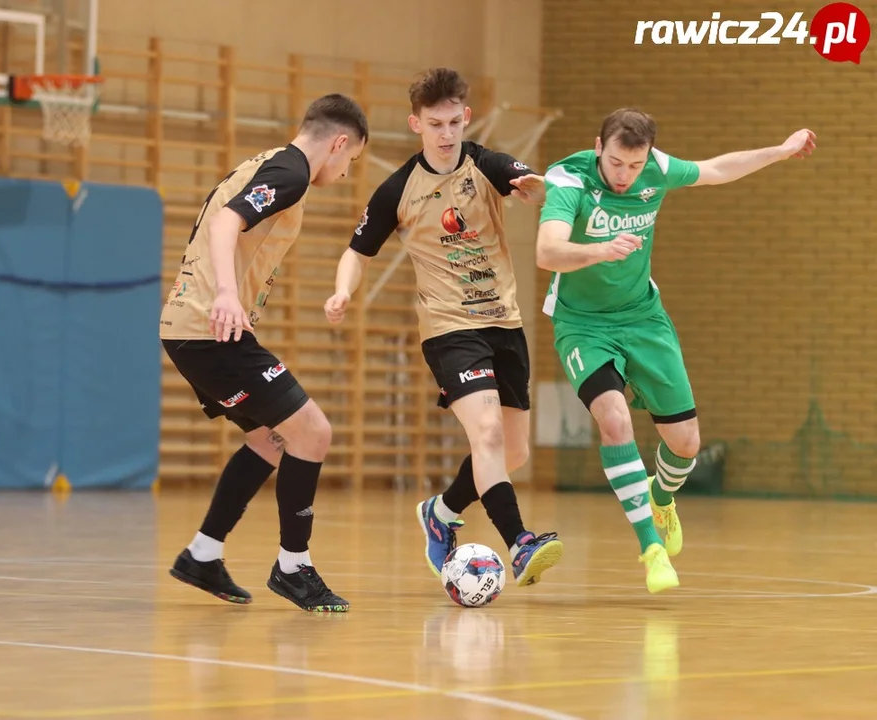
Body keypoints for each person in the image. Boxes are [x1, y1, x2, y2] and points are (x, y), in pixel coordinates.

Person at [536, 107, 816, 593]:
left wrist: (782, 150)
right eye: (618, 163)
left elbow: (716, 169)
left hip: (643, 318)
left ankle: (661, 498)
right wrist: (598, 251)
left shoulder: (656, 170)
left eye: (636, 165)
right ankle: (651, 549)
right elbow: (547, 252)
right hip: (582, 324)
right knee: (614, 419)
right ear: (599, 147)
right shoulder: (570, 179)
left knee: (686, 443)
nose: (626, 176)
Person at [324, 68, 564, 588]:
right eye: (435, 124)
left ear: (466, 117)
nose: (447, 133)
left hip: (505, 322)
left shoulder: (488, 165)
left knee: (513, 452)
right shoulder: (398, 190)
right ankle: (520, 542)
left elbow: (539, 189)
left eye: (454, 121)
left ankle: (441, 512)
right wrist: (344, 291)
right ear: (417, 124)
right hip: (449, 328)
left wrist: (539, 191)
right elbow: (358, 251)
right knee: (488, 432)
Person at [161, 94, 369, 612]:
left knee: (271, 442)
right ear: (339, 144)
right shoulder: (292, 173)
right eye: (352, 162)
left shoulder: (268, 162)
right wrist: (228, 295)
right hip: (213, 329)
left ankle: (203, 554)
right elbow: (226, 223)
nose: (345, 173)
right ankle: (293, 567)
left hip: (188, 328)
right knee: (313, 432)